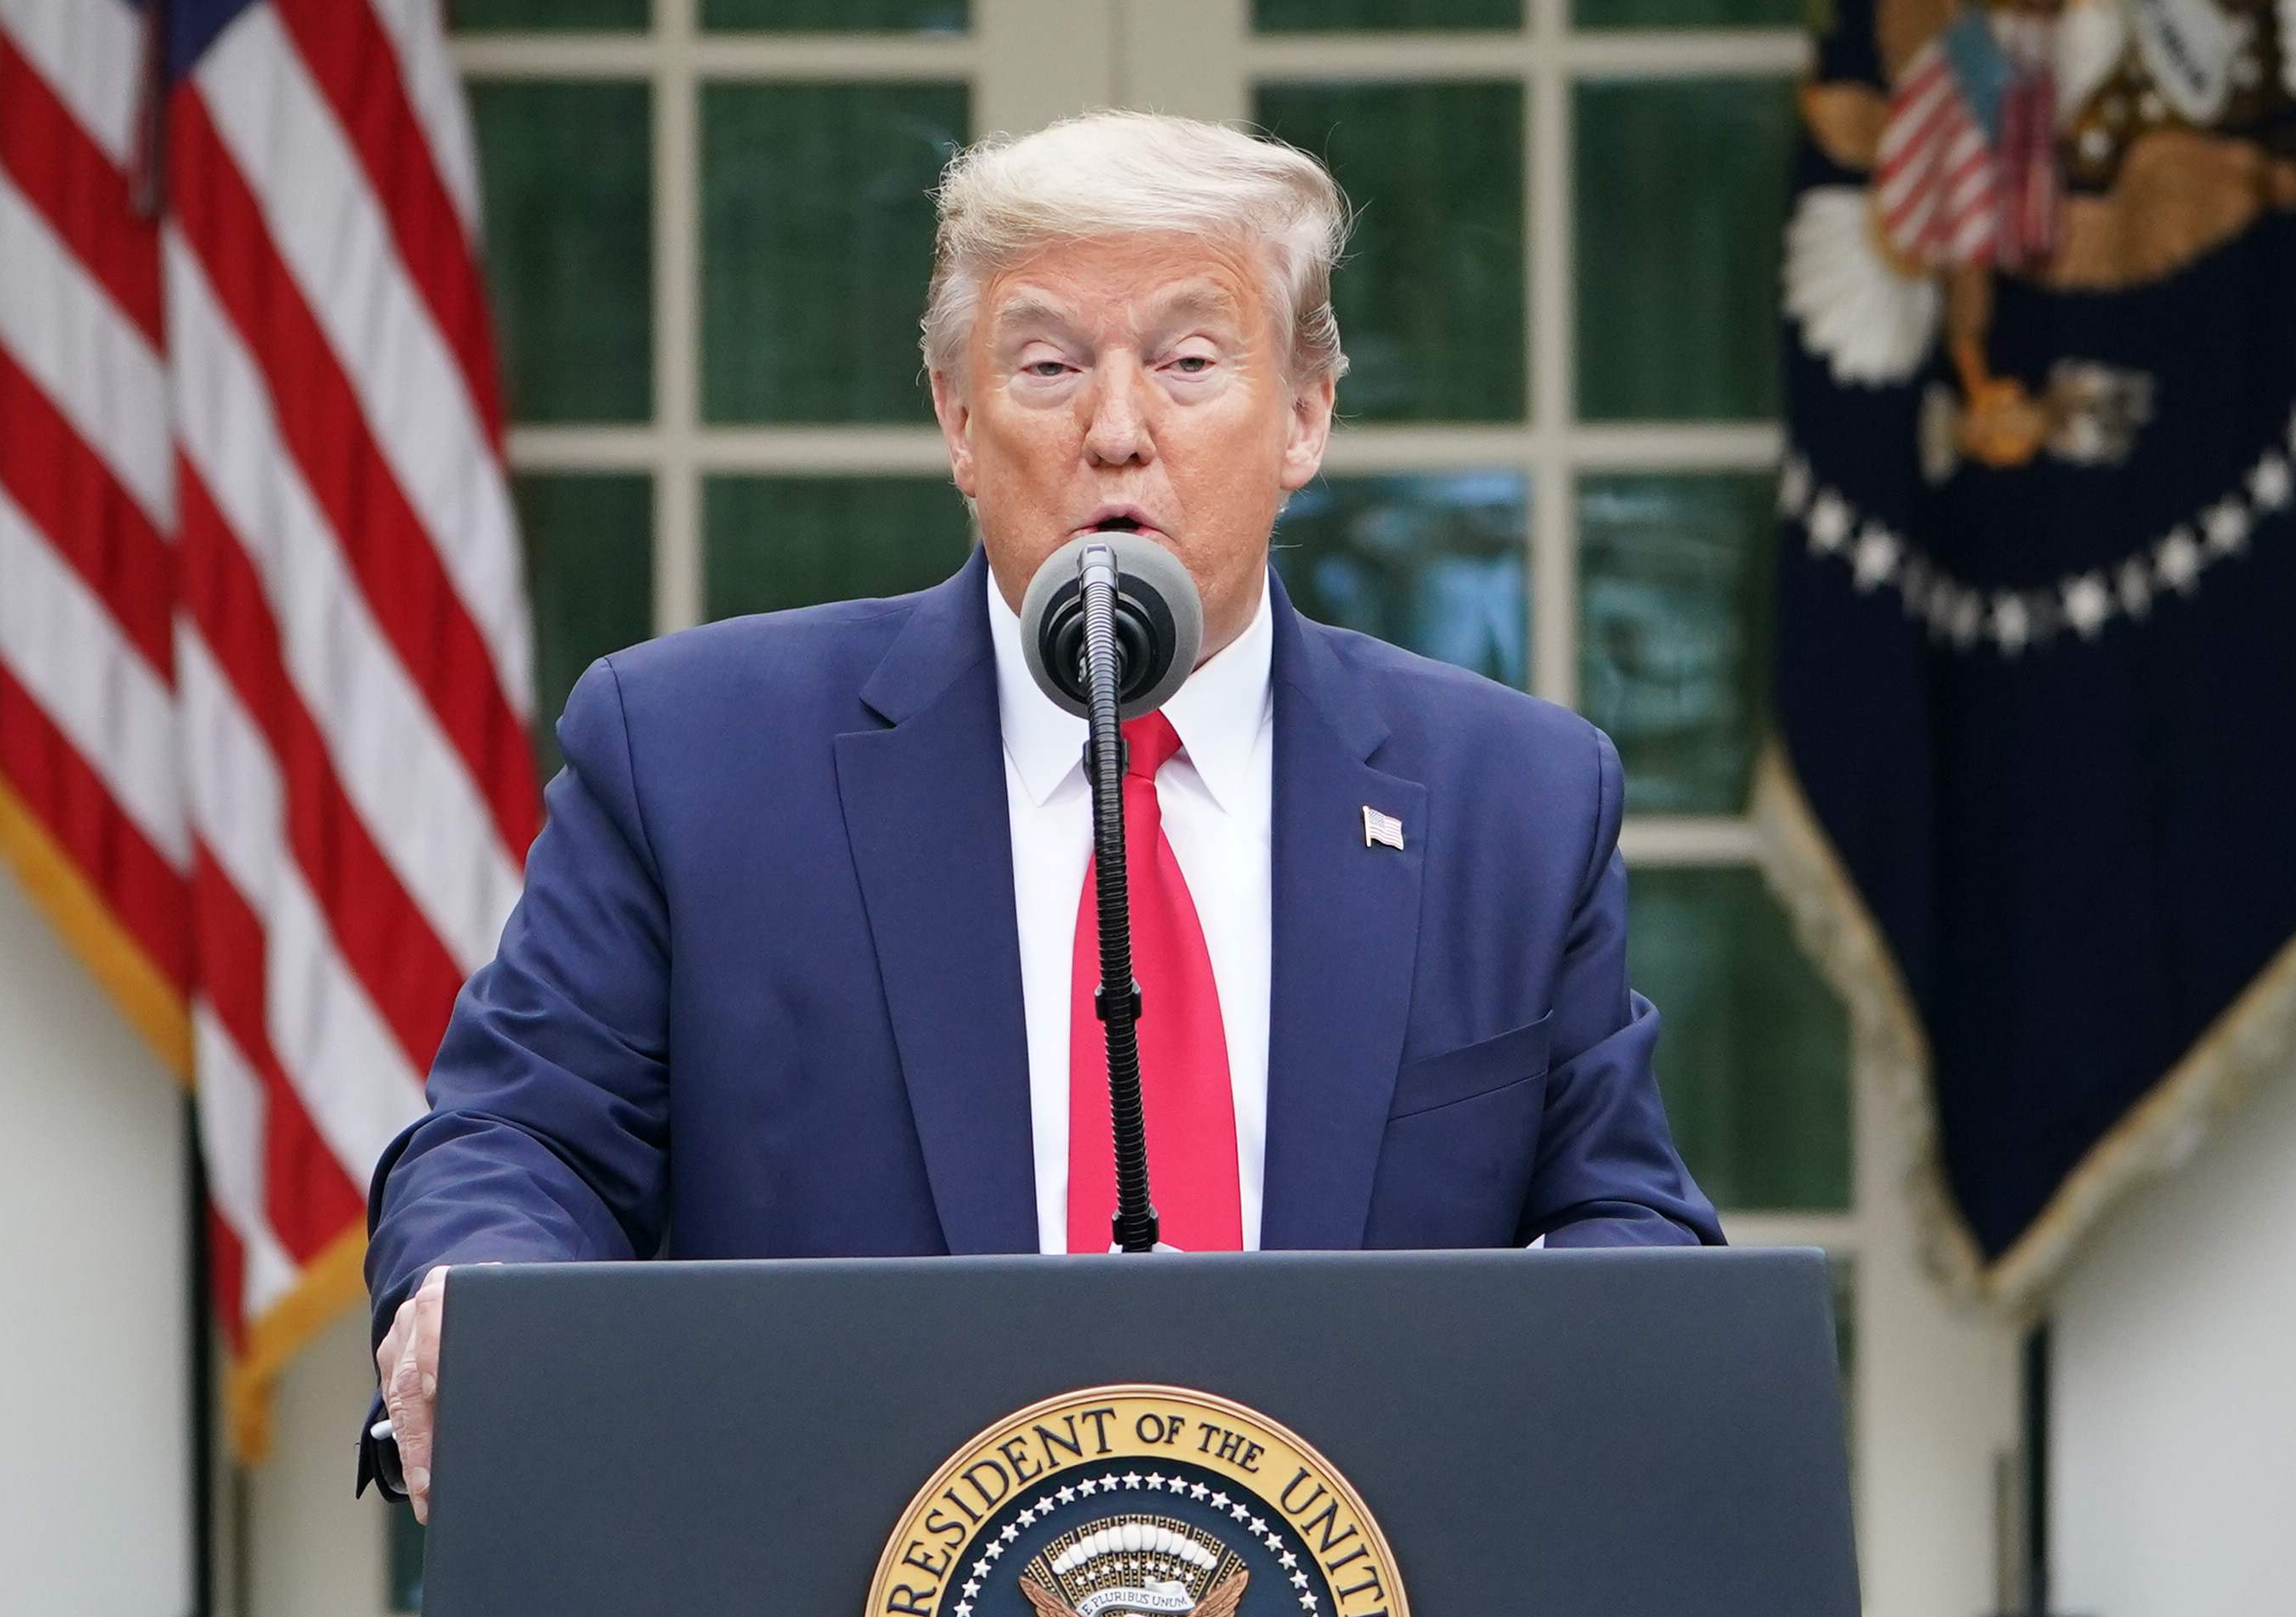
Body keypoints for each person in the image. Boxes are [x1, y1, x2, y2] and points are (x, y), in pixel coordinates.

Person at [361, 110, 1716, 1509]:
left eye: (1190, 363)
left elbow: (1622, 1211)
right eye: (1049, 365)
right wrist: (481, 1292)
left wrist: (1597, 1342)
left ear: (1306, 415)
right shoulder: (696, 757)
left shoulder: (1515, 799)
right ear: (958, 418)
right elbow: (517, 1137)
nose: (1116, 432)